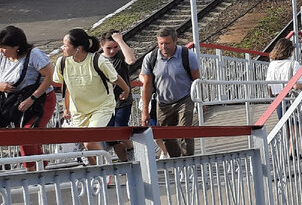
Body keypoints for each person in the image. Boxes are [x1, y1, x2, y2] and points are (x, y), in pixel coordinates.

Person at [55, 29, 131, 164]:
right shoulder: (62, 62)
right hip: (79, 110)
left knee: (90, 141)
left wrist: (126, 90)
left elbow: (115, 78)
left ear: (78, 48)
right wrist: (66, 107)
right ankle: (98, 173)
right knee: (85, 145)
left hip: (101, 106)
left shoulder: (97, 60)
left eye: (65, 45)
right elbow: (65, 87)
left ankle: (106, 169)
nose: (62, 48)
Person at [0, 25, 56, 170]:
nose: (2, 50)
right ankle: (40, 166)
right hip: (15, 101)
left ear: (17, 46)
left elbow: (49, 77)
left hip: (41, 100)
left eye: (5, 47)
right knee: (26, 136)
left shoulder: (34, 54)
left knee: (27, 134)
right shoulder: (2, 57)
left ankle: (31, 170)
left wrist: (32, 98)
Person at [140, 27, 200, 157]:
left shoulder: (187, 55)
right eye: (160, 43)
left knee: (184, 131)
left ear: (175, 41)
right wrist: (145, 110)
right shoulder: (151, 58)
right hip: (163, 101)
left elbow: (196, 79)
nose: (163, 47)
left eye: (167, 43)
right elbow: (147, 85)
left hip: (185, 97)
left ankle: (188, 160)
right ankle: (176, 160)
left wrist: (201, 100)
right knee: (166, 135)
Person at [99, 30, 138, 161]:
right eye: (108, 48)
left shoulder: (120, 56)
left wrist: (120, 41)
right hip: (104, 103)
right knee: (111, 137)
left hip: (122, 101)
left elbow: (131, 60)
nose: (112, 51)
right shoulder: (98, 59)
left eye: (115, 47)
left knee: (119, 131)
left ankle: (131, 148)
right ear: (101, 46)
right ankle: (124, 162)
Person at [266, 40, 302, 118]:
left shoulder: (272, 64)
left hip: (277, 98)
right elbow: (297, 85)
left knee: (284, 124)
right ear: (290, 50)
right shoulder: (294, 64)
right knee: (295, 126)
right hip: (290, 98)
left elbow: (269, 85)